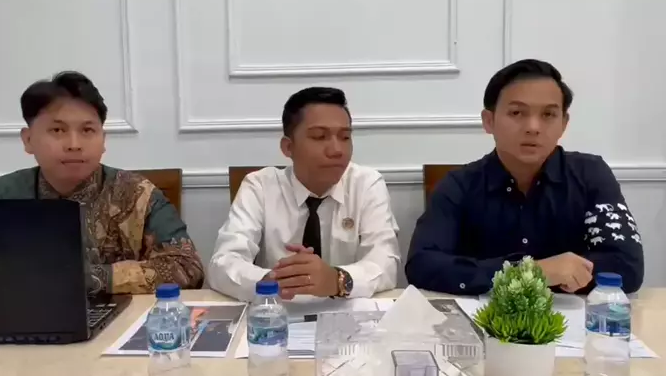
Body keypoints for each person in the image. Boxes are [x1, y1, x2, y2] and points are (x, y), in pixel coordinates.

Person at [405, 59, 644, 295]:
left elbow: (627, 267)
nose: (533, 127)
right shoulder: (459, 185)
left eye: (548, 114)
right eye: (517, 112)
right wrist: (529, 272)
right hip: (486, 316)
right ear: (489, 121)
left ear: (564, 123)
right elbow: (422, 265)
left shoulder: (591, 174)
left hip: (575, 317)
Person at [0, 71, 205, 294]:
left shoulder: (138, 195)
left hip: (125, 318)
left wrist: (88, 278)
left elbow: (187, 269)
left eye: (87, 130)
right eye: (58, 130)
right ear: (28, 140)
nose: (74, 144)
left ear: (103, 140)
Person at [208, 87, 401, 302]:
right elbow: (223, 263)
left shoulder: (366, 184)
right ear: (288, 147)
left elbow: (386, 263)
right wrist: (273, 280)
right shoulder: (260, 186)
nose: (337, 150)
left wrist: (336, 279)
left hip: (348, 314)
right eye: (319, 137)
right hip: (278, 313)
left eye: (345, 137)